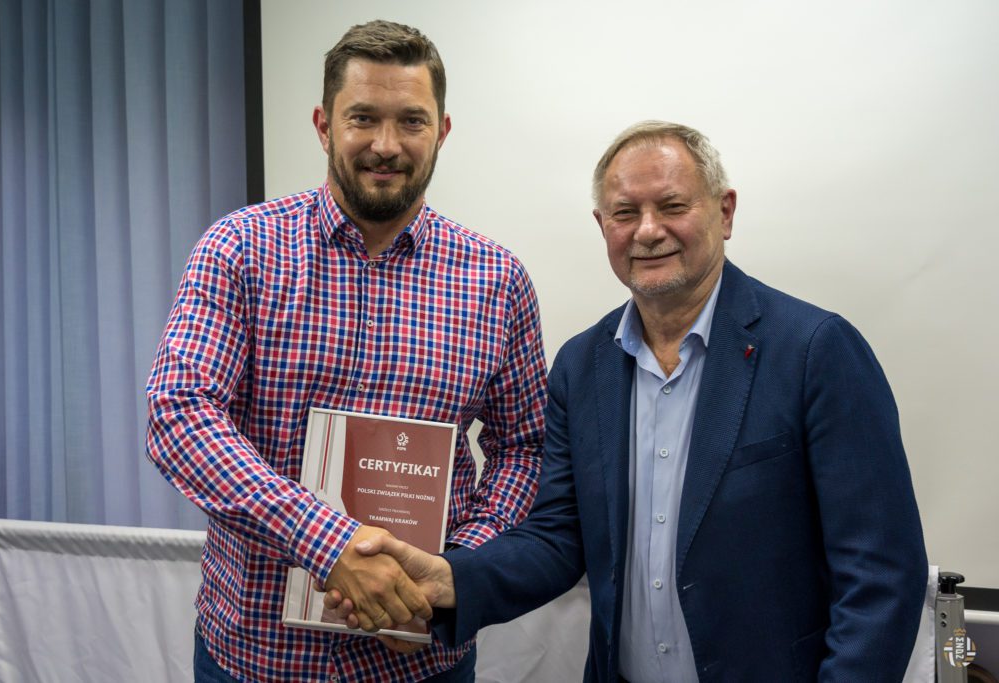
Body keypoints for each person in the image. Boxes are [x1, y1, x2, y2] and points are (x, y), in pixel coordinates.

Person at [329, 121, 928, 681]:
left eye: (672, 206)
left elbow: (880, 574)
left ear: (724, 212)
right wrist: (448, 580)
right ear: (603, 227)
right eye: (624, 213)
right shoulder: (581, 367)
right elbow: (558, 537)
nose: (647, 230)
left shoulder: (815, 350)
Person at [144, 20, 548, 682]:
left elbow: (525, 449)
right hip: (255, 657)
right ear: (323, 125)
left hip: (421, 661)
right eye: (363, 117)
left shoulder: (497, 280)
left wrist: (446, 577)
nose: (386, 145)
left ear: (442, 131)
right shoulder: (239, 249)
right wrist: (329, 544)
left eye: (411, 121)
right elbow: (180, 414)